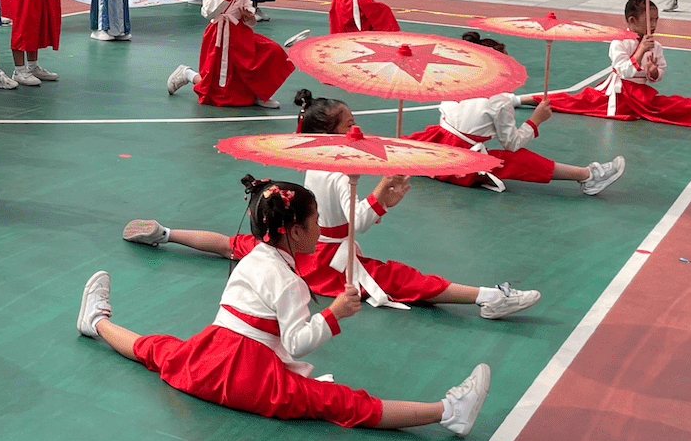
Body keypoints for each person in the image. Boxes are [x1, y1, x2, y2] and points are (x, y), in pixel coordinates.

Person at [82, 178, 492, 436]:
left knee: (155, 349)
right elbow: (295, 344)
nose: (320, 231)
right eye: (315, 224)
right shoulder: (291, 281)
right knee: (345, 404)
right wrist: (335, 313)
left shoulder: (254, 256)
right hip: (253, 379)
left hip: (209, 356)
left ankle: (95, 321)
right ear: (295, 231)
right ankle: (448, 411)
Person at [185, 90, 541, 315]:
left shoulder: (317, 161)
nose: (356, 130)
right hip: (332, 259)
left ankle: (166, 233)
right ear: (329, 134)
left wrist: (380, 195)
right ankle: (489, 298)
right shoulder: (339, 173)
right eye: (350, 124)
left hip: (307, 251)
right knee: (405, 279)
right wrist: (381, 200)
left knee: (233, 244)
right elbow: (354, 221)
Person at [407, 34, 627, 195]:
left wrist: (520, 100)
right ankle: (588, 176)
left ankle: (589, 175)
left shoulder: (456, 80)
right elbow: (511, 143)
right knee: (518, 160)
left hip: (436, 145)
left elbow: (479, 107)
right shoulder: (499, 100)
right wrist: (535, 121)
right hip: (463, 161)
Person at [545, 0, 691, 130]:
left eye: (657, 19)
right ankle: (521, 100)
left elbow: (658, 75)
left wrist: (652, 72)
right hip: (615, 94)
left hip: (642, 96)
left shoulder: (656, 45)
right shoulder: (619, 42)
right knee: (572, 102)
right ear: (632, 20)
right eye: (650, 20)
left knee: (679, 105)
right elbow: (623, 71)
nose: (655, 24)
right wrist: (640, 52)